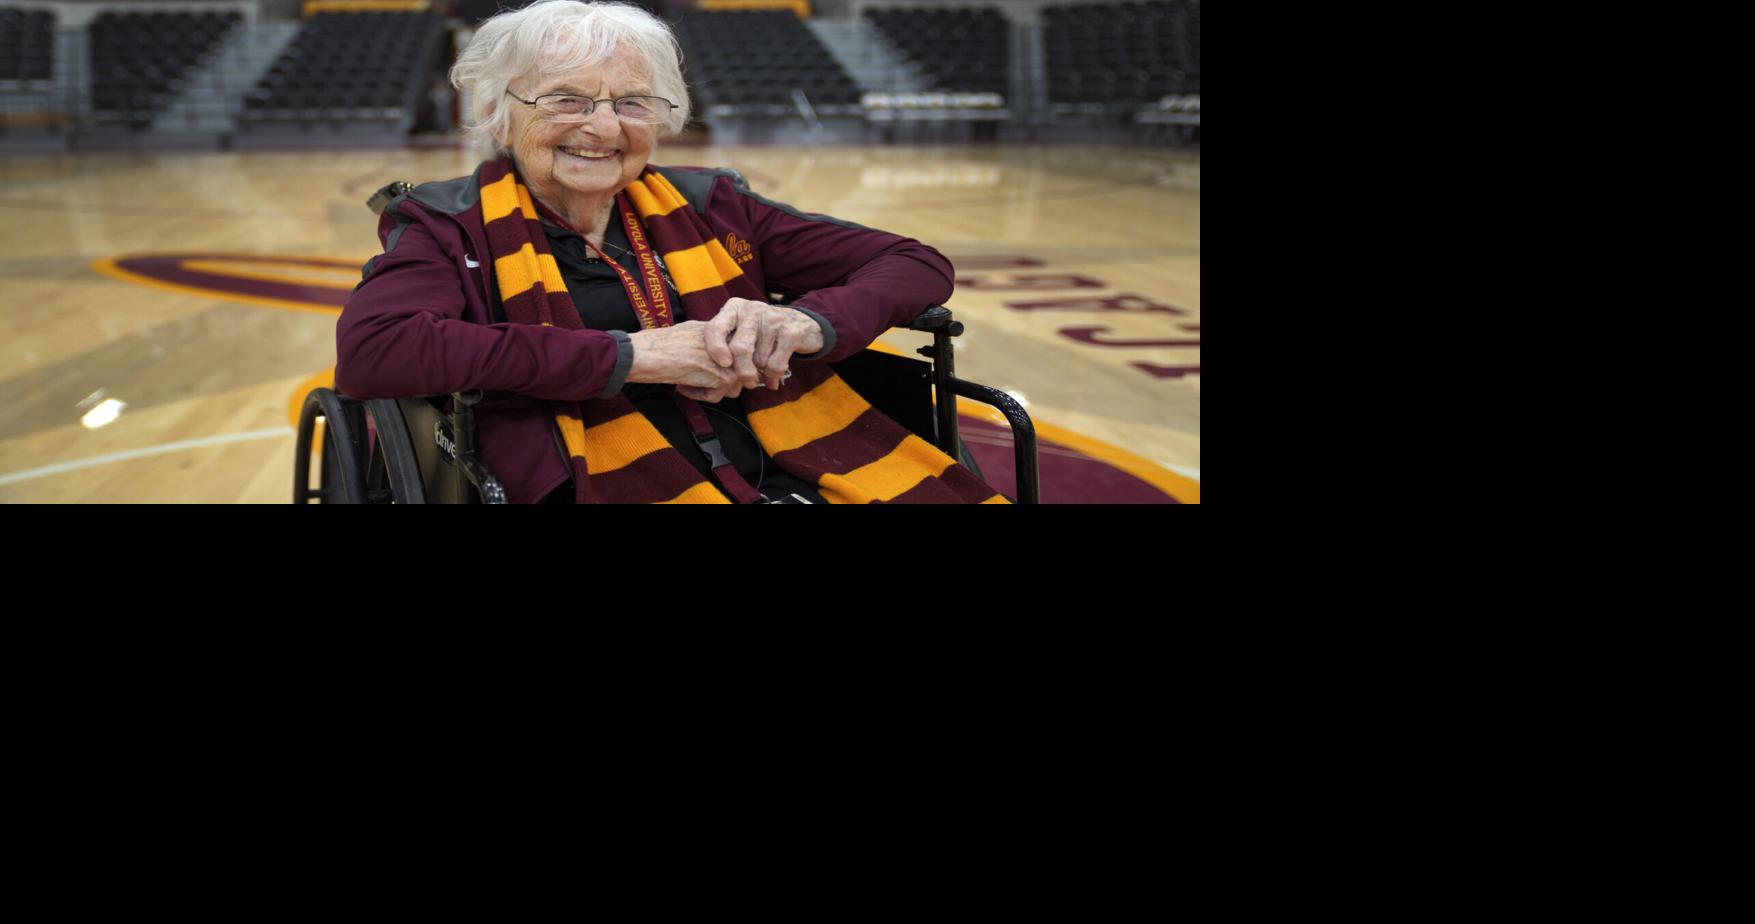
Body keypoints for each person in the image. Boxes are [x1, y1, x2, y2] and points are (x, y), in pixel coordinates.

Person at [335, 0, 1003, 504]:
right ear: (500, 111)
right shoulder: (447, 224)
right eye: (566, 99)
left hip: (779, 457)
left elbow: (916, 264)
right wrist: (631, 357)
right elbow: (375, 352)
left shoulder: (712, 204)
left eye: (632, 102)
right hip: (587, 474)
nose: (602, 127)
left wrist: (804, 322)